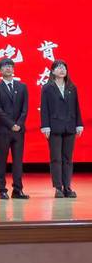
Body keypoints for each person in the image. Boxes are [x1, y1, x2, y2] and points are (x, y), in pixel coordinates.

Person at [40, 60, 84, 198]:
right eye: (59, 67)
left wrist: (79, 124)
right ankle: (58, 187)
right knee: (56, 158)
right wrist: (45, 126)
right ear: (53, 71)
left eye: (64, 67)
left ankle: (67, 187)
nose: (62, 70)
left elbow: (76, 107)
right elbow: (44, 108)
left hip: (70, 126)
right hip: (54, 127)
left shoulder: (71, 87)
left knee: (67, 158)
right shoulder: (47, 88)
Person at [0, 58, 29, 200]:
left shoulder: (22, 87)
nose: (8, 68)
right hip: (4, 131)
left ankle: (18, 190)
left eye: (10, 66)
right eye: (5, 66)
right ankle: (2, 189)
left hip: (19, 131)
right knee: (1, 161)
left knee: (18, 161)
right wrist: (11, 124)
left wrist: (19, 124)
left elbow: (25, 108)